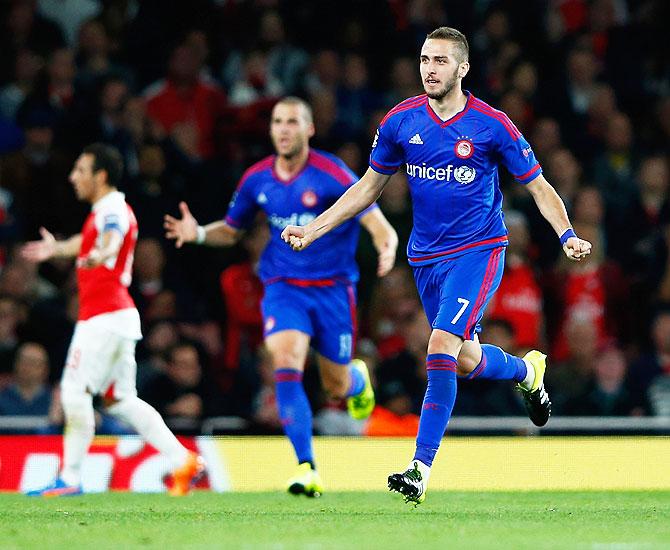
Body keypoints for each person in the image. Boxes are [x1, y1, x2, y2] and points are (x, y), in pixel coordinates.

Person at [281, 27, 592, 505]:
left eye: (441, 61)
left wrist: (566, 234)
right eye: (425, 59)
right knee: (463, 359)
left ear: (463, 68)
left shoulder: (492, 125)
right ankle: (525, 373)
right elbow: (368, 187)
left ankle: (418, 468)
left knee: (440, 345)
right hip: (426, 257)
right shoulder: (401, 122)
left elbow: (538, 186)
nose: (430, 68)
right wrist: (314, 227)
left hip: (479, 250)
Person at [164, 96, 398, 497]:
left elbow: (372, 217)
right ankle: (306, 466)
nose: (284, 129)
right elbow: (234, 230)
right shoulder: (257, 179)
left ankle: (357, 381)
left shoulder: (331, 174)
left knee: (335, 386)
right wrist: (199, 233)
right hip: (283, 287)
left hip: (333, 291)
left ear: (309, 129)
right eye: (277, 122)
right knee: (285, 361)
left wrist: (386, 242)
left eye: (292, 122)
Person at [21, 143, 204, 496]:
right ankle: (183, 459)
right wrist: (59, 248)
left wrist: (103, 253)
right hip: (118, 316)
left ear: (100, 176)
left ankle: (70, 478)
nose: (73, 178)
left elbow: (111, 237)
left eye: (80, 171)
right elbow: (91, 239)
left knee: (74, 392)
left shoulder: (112, 211)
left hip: (102, 318)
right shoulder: (107, 210)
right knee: (120, 400)